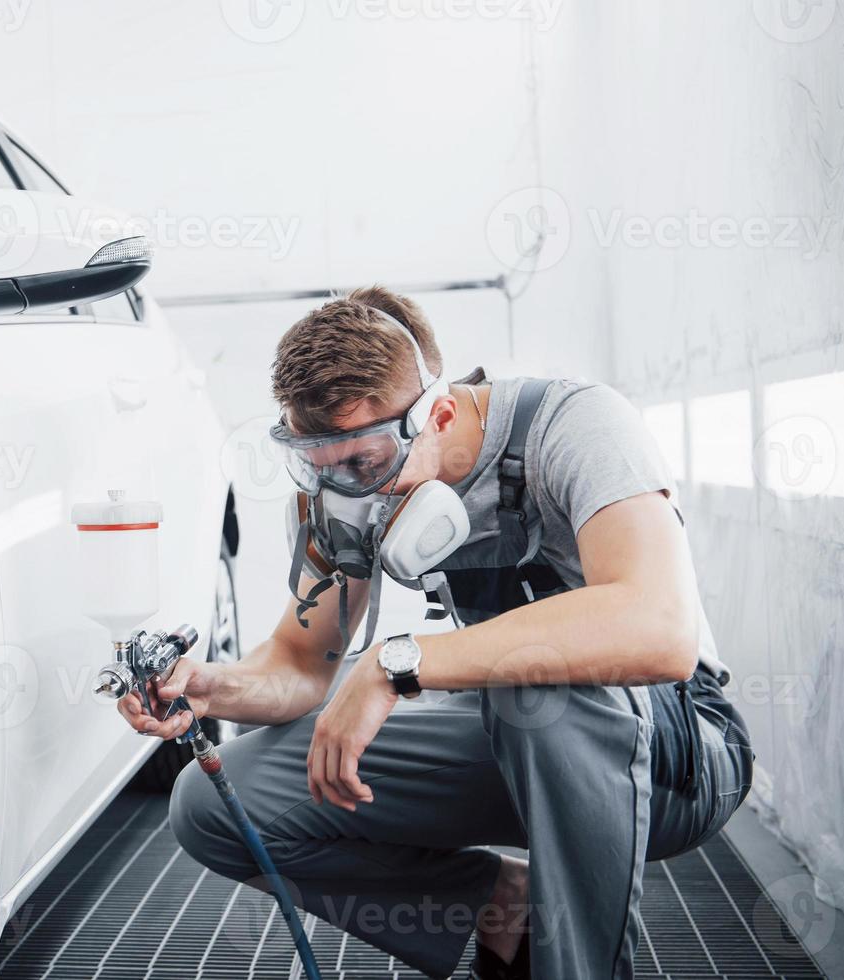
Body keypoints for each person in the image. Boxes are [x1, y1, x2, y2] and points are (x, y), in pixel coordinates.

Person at [117, 286, 753, 980]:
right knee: (213, 803)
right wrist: (213, 685)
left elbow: (659, 629)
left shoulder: (577, 425)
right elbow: (301, 661)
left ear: (438, 413)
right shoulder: (342, 493)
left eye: (364, 464)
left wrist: (398, 662)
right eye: (318, 467)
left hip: (679, 758)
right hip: (514, 742)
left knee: (534, 690)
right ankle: (502, 912)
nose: (349, 494)